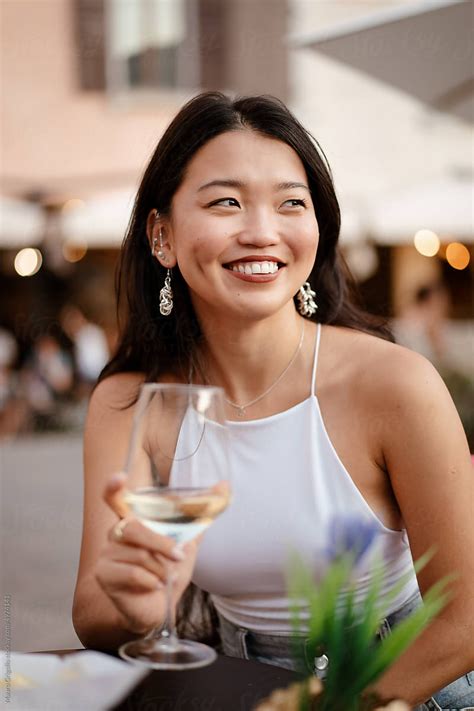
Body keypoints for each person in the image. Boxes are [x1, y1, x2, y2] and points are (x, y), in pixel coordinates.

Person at [72, 93, 474, 710]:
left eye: (291, 203)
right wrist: (140, 607)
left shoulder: (395, 384)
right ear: (163, 236)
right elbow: (94, 615)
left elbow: (464, 621)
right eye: (226, 202)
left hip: (400, 685)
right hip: (232, 685)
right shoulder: (130, 403)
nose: (262, 232)